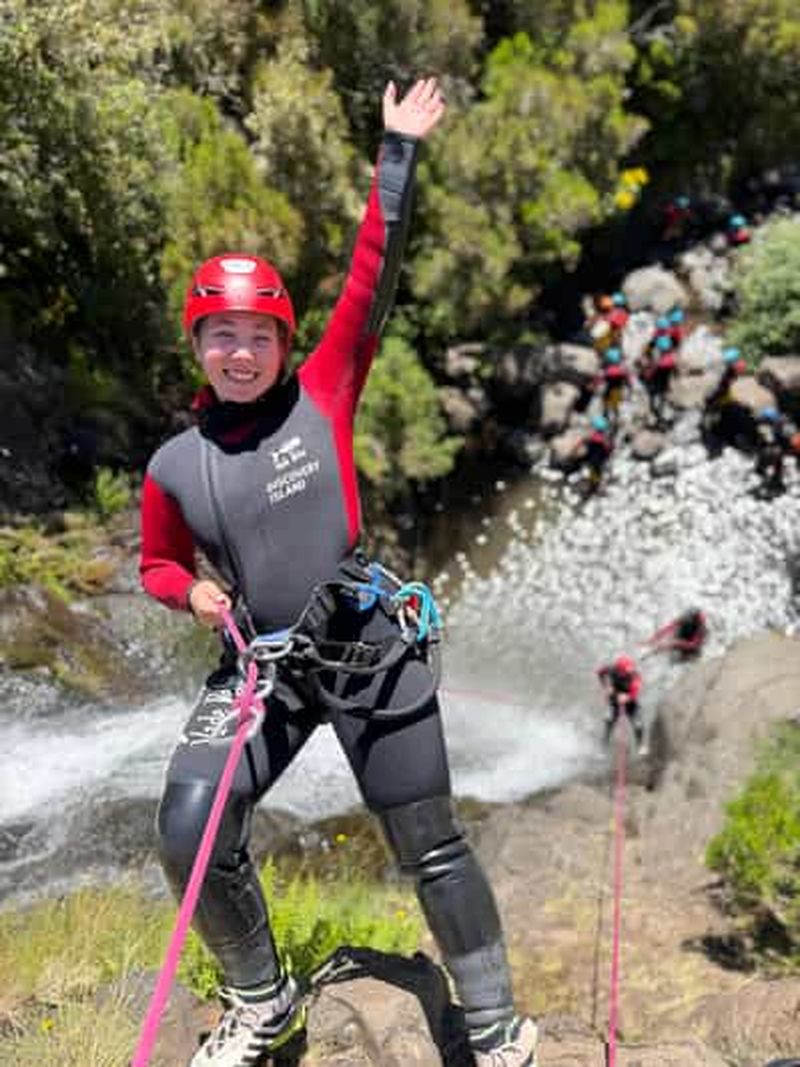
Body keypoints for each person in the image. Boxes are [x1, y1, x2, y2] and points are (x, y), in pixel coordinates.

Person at [139, 79, 538, 1067]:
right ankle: (260, 999)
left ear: (283, 343)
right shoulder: (172, 465)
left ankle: (494, 1025)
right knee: (190, 823)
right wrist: (188, 591)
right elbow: (154, 559)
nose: (240, 351)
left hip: (365, 647)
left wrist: (395, 151)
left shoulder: (323, 389)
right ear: (198, 341)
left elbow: (373, 273)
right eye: (221, 334)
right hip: (260, 667)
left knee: (429, 842)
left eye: (258, 335)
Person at [597, 655, 646, 754]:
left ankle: (640, 745)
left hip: (631, 703)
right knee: (608, 721)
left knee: (638, 723)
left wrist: (627, 697)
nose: (629, 671)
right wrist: (605, 686)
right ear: (619, 669)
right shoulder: (611, 669)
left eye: (630, 669)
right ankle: (603, 747)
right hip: (614, 699)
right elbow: (600, 672)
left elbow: (635, 690)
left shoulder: (635, 675)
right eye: (626, 670)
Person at [571, 414, 613, 495]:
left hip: (590, 458)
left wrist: (576, 450)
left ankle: (586, 487)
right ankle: (594, 487)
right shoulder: (603, 439)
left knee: (588, 471)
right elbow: (608, 449)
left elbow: (582, 443)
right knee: (596, 473)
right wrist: (608, 454)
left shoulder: (592, 436)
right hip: (598, 460)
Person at [754, 406, 790, 497]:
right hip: (774, 451)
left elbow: (763, 441)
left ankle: (772, 485)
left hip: (769, 451)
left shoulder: (765, 428)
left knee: (767, 469)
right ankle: (774, 486)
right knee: (775, 469)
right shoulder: (776, 428)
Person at [643, 608, 708, 660]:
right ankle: (650, 654)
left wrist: (676, 643)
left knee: (691, 654)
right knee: (666, 644)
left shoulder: (701, 629)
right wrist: (653, 639)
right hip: (683, 639)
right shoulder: (683, 619)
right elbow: (667, 629)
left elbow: (693, 644)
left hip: (692, 648)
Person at [593, 347, 631, 431]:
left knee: (605, 408)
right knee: (615, 408)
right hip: (618, 390)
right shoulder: (622, 370)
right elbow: (628, 381)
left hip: (609, 390)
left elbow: (599, 380)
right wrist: (629, 389)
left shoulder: (607, 371)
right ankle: (615, 423)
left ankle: (605, 423)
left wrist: (594, 385)